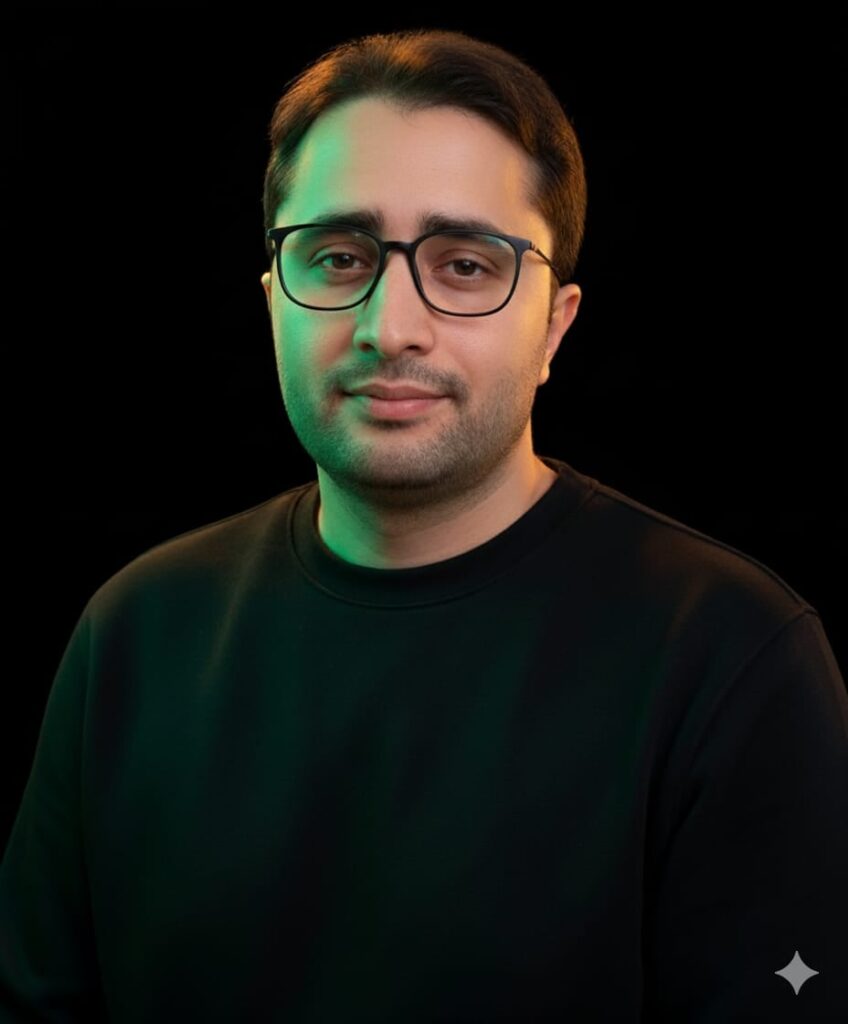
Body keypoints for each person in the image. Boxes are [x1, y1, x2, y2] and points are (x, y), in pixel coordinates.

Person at [2, 27, 846, 1023]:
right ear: (272, 302)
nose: (389, 327)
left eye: (465, 265)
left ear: (555, 324)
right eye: (338, 256)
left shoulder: (731, 655)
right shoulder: (135, 631)